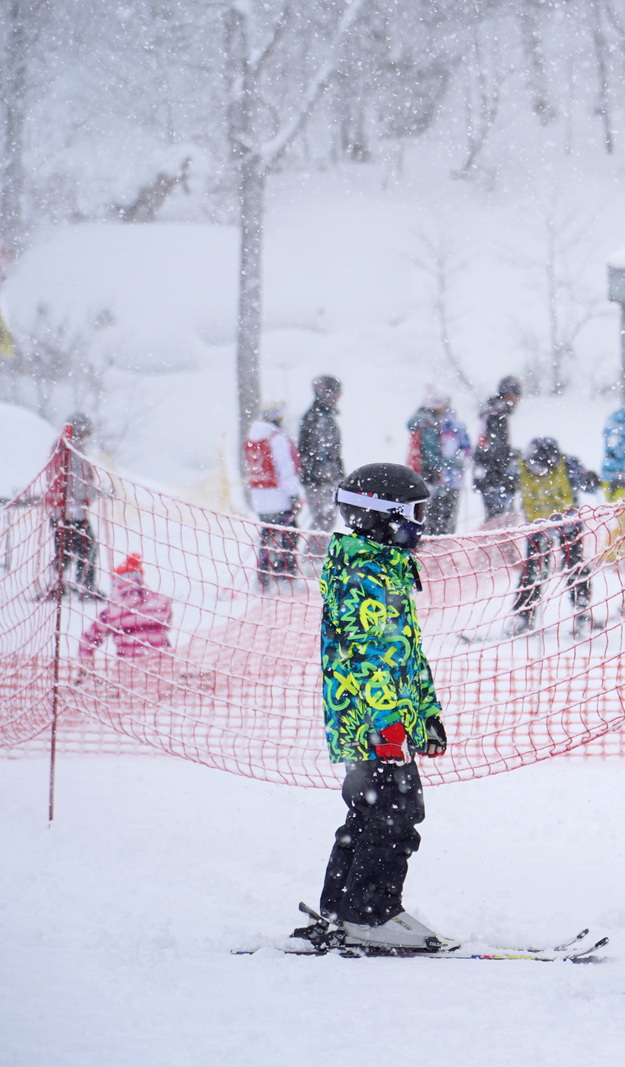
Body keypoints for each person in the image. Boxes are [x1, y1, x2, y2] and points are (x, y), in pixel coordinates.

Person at [302, 462, 453, 951]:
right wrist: (386, 727)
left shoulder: (386, 567)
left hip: (385, 720)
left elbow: (405, 652)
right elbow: (369, 659)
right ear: (382, 516)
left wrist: (424, 714)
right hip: (370, 721)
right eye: (415, 513)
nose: (422, 525)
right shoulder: (365, 571)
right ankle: (370, 912)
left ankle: (344, 910)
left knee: (372, 812)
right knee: (394, 812)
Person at [509, 436, 599, 635]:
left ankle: (581, 612)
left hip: (568, 525)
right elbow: (503, 486)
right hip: (538, 527)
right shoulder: (519, 468)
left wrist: (591, 479)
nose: (539, 472)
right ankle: (522, 615)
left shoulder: (568, 465)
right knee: (533, 572)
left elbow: (590, 485)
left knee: (574, 568)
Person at [245, 401, 304, 592]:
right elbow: (285, 471)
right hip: (278, 497)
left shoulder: (253, 436)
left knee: (267, 537)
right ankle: (286, 577)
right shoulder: (276, 438)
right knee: (289, 535)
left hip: (261, 497)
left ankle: (263, 578)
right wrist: (293, 495)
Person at [44, 413, 101, 600]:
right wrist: (94, 492)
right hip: (73, 512)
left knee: (63, 550)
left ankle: (58, 584)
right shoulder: (73, 449)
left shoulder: (59, 446)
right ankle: (84, 585)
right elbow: (79, 481)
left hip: (60, 510)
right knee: (87, 547)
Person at [78, 554, 173, 665]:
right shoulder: (161, 602)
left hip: (127, 669)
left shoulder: (112, 611)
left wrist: (85, 665)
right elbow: (168, 622)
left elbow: (89, 640)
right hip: (160, 666)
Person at [406, 391, 473, 536]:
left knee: (429, 521)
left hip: (426, 479)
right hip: (435, 480)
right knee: (440, 524)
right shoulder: (429, 425)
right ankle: (437, 554)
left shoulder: (423, 422)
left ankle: (432, 552)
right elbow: (433, 457)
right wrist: (456, 464)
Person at [298, 376, 345, 538]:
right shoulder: (317, 418)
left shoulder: (324, 416)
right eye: (336, 393)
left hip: (323, 478)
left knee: (326, 519)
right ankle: (313, 559)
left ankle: (314, 556)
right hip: (319, 480)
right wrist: (326, 476)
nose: (339, 396)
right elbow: (319, 452)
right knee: (323, 519)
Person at [474, 376, 522, 520]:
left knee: (498, 515)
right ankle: (499, 542)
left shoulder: (493, 410)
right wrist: (508, 459)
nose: (518, 399)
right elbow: (495, 447)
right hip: (493, 472)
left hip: (487, 470)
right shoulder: (497, 414)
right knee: (499, 517)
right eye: (517, 395)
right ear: (509, 394)